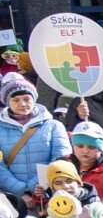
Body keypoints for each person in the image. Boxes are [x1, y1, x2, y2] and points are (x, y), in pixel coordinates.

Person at [0, 76, 72, 207]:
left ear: (34, 99)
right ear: (7, 102)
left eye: (27, 99)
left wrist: (38, 186)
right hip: (12, 199)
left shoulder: (54, 126)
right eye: (15, 100)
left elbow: (61, 158)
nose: (22, 104)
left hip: (49, 194)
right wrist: (20, 191)